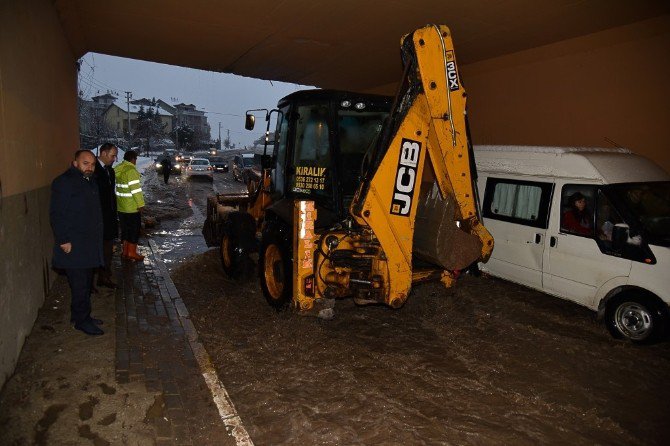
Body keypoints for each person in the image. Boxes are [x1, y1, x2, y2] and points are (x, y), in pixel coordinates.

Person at [50, 150, 105, 336]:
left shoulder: (89, 181)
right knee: (80, 285)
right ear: (75, 163)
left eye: (92, 164)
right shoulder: (64, 182)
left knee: (85, 283)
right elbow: (57, 214)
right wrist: (63, 239)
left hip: (88, 243)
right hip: (74, 244)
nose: (89, 167)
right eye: (85, 163)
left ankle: (81, 316)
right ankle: (82, 321)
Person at [94, 143, 118, 288]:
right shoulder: (93, 170)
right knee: (95, 250)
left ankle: (104, 277)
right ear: (103, 153)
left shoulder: (110, 171)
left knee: (108, 249)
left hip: (109, 218)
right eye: (112, 155)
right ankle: (91, 281)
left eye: (115, 155)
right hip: (97, 218)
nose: (114, 159)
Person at [115, 150, 145, 261]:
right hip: (132, 208)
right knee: (134, 230)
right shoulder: (131, 170)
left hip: (121, 207)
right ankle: (132, 253)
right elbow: (136, 190)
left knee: (125, 230)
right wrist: (141, 204)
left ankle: (125, 252)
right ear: (133, 159)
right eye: (136, 159)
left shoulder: (119, 168)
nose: (136, 161)